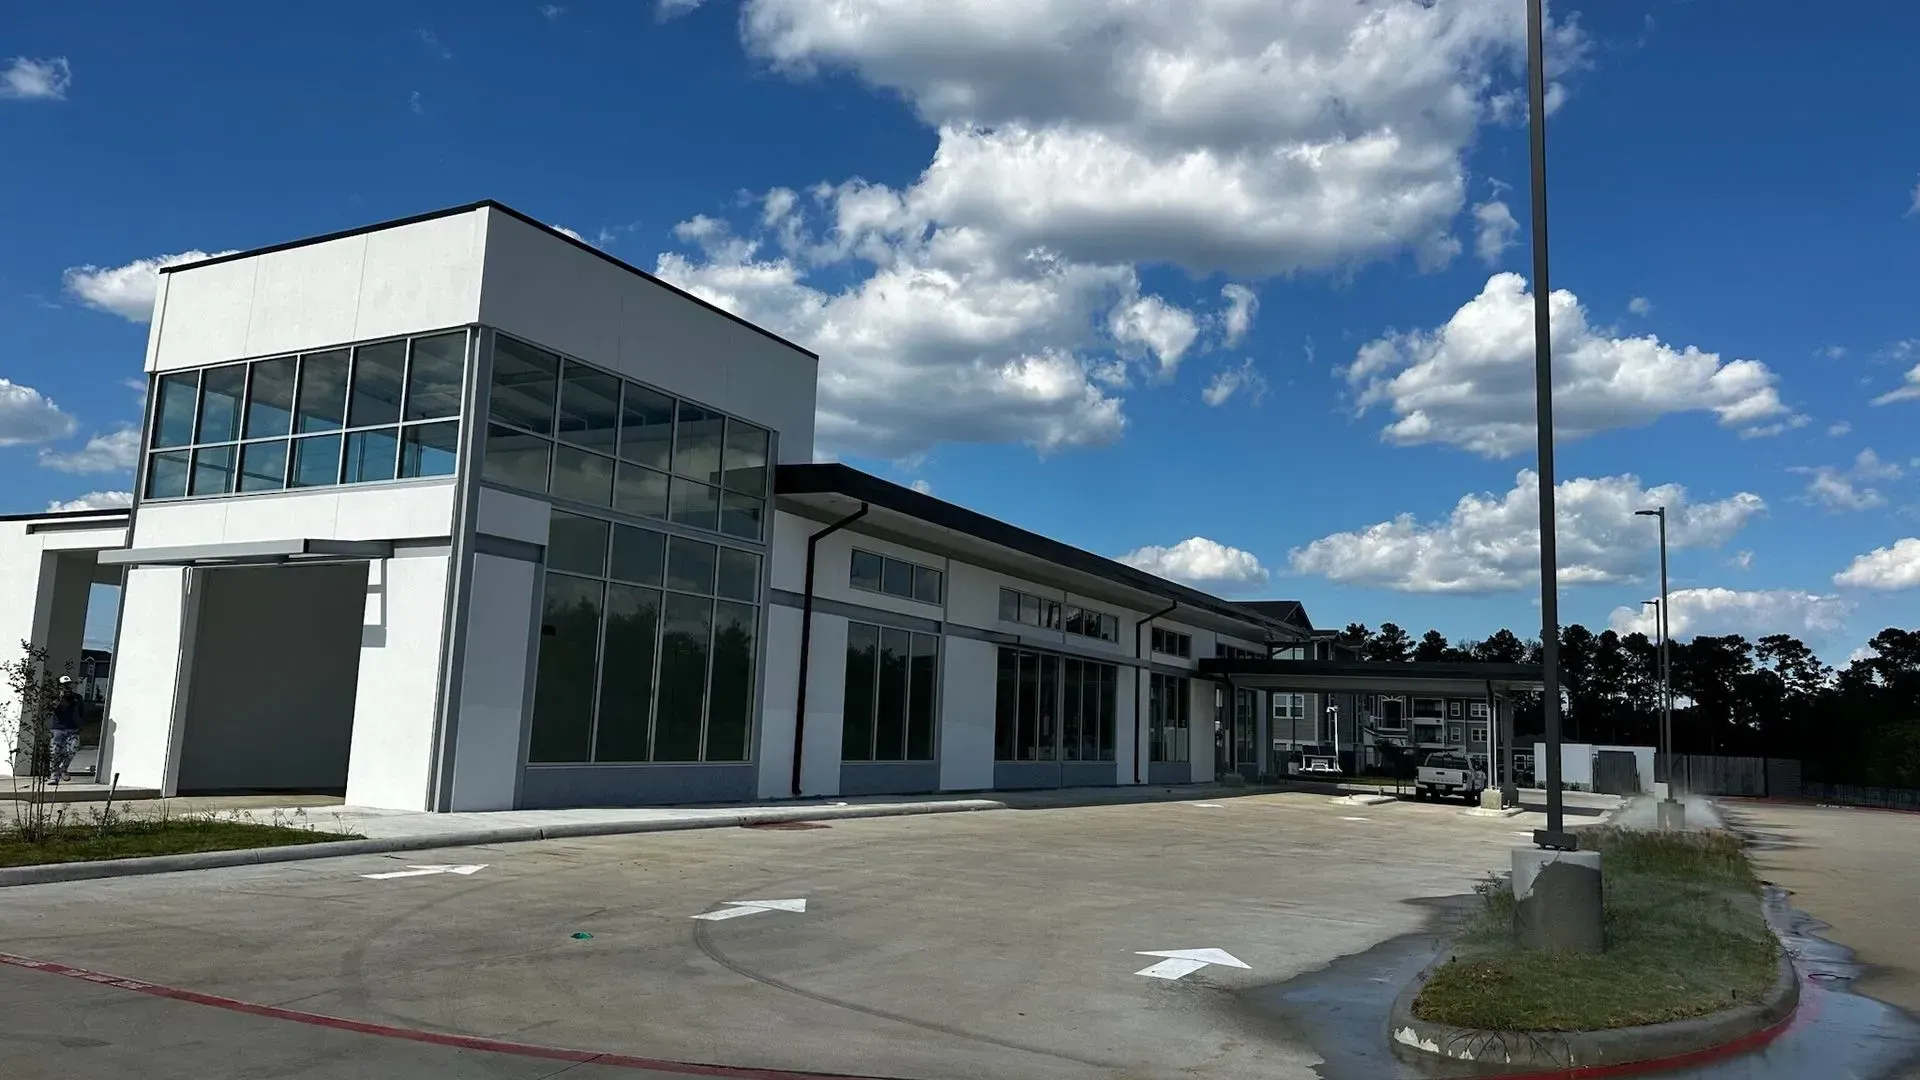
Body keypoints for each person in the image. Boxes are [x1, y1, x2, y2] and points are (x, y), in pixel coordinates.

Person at [48, 675, 82, 784]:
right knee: (55, 752)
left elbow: (81, 712)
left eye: (68, 684)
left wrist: (81, 724)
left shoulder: (77, 697)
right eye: (64, 685)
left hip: (72, 728)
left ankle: (64, 768)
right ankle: (54, 775)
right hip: (58, 728)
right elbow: (51, 708)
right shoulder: (55, 697)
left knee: (73, 748)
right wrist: (60, 697)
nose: (67, 687)